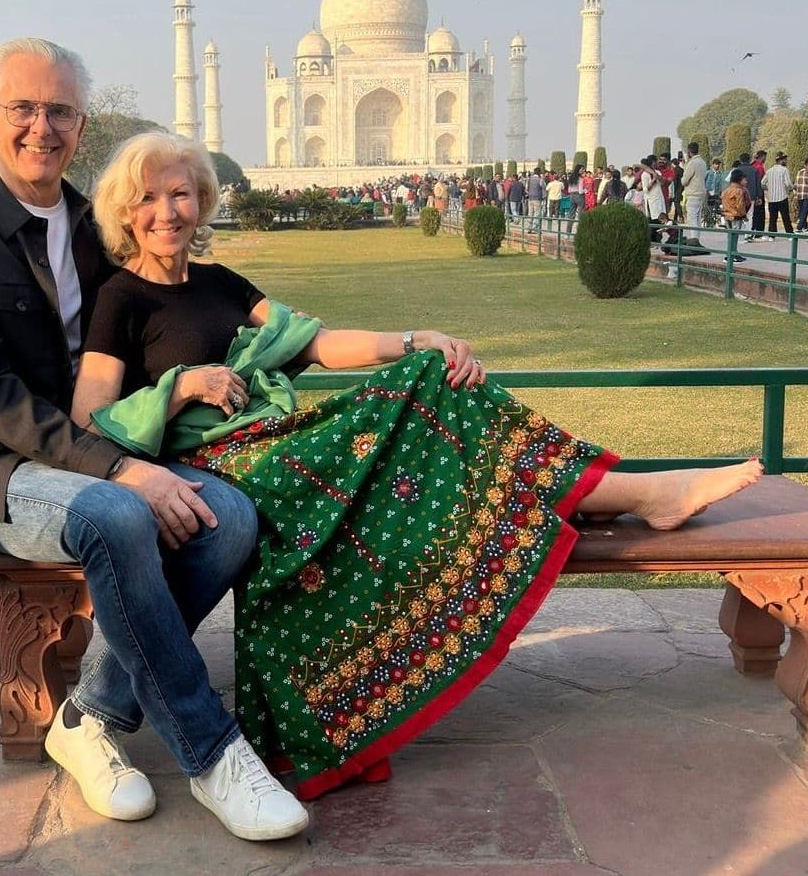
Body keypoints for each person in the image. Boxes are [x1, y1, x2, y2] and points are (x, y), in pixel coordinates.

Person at [71, 131, 764, 803]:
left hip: (277, 445)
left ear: (203, 201)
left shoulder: (220, 283)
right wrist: (183, 386)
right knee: (417, 402)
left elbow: (314, 343)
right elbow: (90, 417)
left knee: (433, 376)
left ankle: (619, 492)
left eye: (181, 193)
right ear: (124, 211)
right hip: (220, 467)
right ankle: (624, 492)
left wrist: (413, 337)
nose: (167, 212)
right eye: (149, 198)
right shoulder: (120, 299)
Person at [0, 39, 308, 842]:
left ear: (79, 124)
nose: (40, 126)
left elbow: (165, 320)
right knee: (119, 516)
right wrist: (124, 469)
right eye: (22, 107)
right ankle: (212, 753)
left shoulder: (98, 230)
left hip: (103, 454)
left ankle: (88, 717)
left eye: (58, 110)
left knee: (226, 518)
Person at [680, 141, 708, 244]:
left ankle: (694, 241)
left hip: (693, 193)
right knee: (697, 218)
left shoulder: (692, 163)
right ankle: (697, 240)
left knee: (692, 219)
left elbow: (684, 181)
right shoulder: (702, 162)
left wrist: (685, 167)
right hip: (701, 192)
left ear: (689, 152)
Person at [720, 169, 750, 263]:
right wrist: (744, 215)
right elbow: (740, 205)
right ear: (739, 180)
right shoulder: (738, 191)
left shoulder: (726, 190)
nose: (746, 182)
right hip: (736, 216)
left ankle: (731, 254)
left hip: (727, 216)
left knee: (730, 236)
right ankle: (732, 255)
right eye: (745, 180)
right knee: (735, 236)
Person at [761, 153, 793, 235]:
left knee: (772, 218)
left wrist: (768, 189)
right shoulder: (784, 170)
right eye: (785, 159)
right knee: (785, 217)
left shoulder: (769, 171)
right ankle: (789, 233)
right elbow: (788, 183)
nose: (786, 161)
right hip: (782, 197)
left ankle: (772, 235)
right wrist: (791, 188)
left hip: (772, 198)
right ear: (781, 160)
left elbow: (762, 182)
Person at [794, 155, 808, 232]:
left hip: (803, 194)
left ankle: (805, 227)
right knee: (803, 212)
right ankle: (799, 227)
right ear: (806, 165)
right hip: (805, 195)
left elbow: (796, 184)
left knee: (803, 211)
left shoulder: (800, 172)